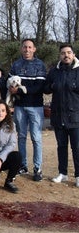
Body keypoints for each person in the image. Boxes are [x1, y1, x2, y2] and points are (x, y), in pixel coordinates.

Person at [8, 39, 47, 181]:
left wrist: (20, 90)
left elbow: (39, 87)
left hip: (35, 106)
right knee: (22, 136)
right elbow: (10, 81)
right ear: (21, 49)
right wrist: (11, 89)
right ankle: (23, 166)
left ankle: (38, 168)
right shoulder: (16, 65)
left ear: (34, 49)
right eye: (25, 47)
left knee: (36, 137)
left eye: (30, 47)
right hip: (19, 106)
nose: (27, 50)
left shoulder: (40, 65)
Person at [45, 44, 79, 187]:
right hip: (58, 116)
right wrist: (52, 86)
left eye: (69, 52)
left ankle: (78, 176)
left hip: (75, 116)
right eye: (63, 53)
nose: (66, 55)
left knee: (77, 147)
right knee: (61, 146)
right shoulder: (54, 71)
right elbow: (46, 88)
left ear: (73, 54)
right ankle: (62, 173)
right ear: (60, 55)